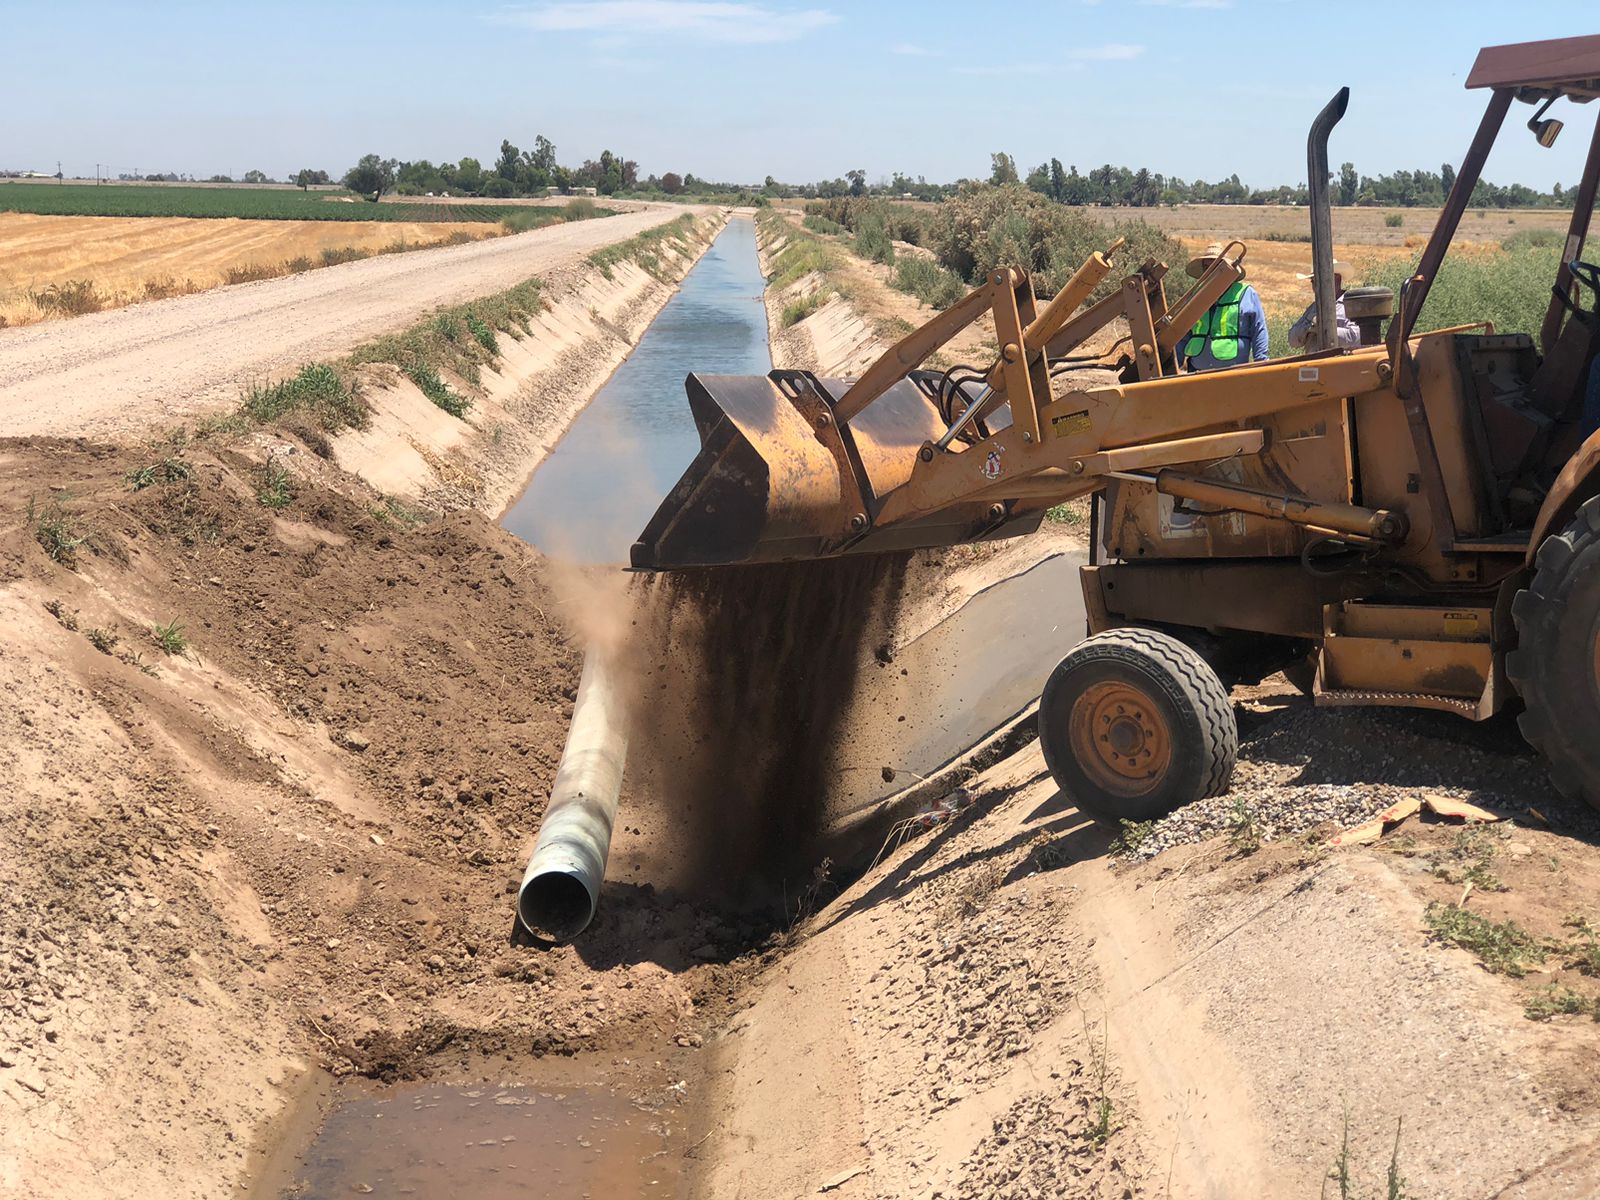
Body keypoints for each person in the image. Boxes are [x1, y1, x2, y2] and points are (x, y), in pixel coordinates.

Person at [1176, 242, 1269, 372]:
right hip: (1197, 370)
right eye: (1207, 267)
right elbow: (1182, 333)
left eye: (1216, 266)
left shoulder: (1246, 293)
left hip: (1233, 372)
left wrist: (1261, 364)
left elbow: (1258, 329)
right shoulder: (1195, 296)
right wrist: (1175, 364)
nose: (1211, 270)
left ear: (1226, 268)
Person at [1287, 259, 1362, 351]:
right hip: (1314, 359)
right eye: (1313, 282)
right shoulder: (1313, 308)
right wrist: (1307, 327)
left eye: (1320, 280)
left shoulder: (1351, 305)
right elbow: (1292, 340)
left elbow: (1357, 338)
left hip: (1341, 359)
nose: (1316, 286)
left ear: (1337, 279)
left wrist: (1325, 329)